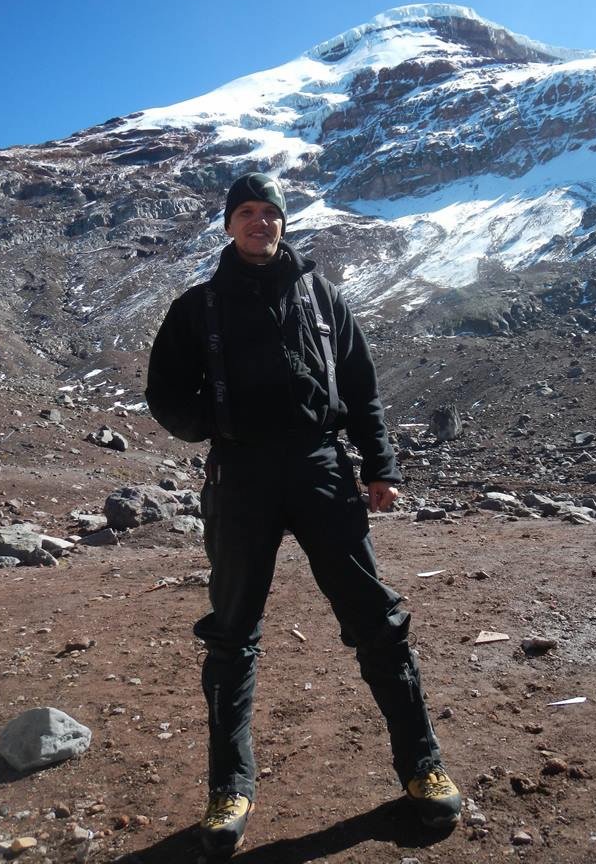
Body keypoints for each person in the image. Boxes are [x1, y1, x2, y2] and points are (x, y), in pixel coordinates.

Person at [146, 172, 461, 855]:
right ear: (229, 225)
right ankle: (230, 788)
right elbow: (164, 392)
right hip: (239, 478)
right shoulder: (196, 309)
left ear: (284, 224)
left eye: (271, 213)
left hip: (321, 471)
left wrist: (380, 468)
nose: (261, 222)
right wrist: (213, 423)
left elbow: (362, 388)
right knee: (232, 635)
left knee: (377, 620)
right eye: (248, 212)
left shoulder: (323, 301)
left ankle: (424, 767)